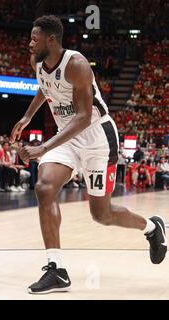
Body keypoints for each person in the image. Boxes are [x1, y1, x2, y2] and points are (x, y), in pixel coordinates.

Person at [10, 15, 166, 294]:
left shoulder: (77, 65)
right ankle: (56, 269)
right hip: (66, 138)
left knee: (101, 214)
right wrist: (27, 115)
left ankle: (152, 228)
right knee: (44, 187)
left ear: (51, 40)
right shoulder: (37, 62)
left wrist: (44, 147)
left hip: (97, 137)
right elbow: (45, 87)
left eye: (35, 39)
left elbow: (82, 117)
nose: (30, 43)